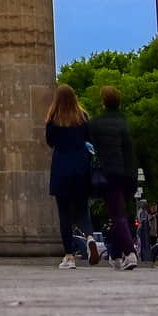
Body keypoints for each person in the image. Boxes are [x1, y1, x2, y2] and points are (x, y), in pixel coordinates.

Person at [86, 85, 138, 269]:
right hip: (129, 173)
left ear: (103, 103)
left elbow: (89, 146)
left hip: (110, 173)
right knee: (120, 214)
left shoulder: (96, 124)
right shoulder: (126, 122)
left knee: (117, 214)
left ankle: (130, 253)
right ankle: (115, 255)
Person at [45, 84, 95, 268]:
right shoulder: (82, 117)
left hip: (61, 169)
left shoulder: (53, 119)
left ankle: (69, 256)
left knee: (64, 213)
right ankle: (90, 237)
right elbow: (89, 140)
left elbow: (50, 141)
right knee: (82, 210)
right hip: (81, 167)